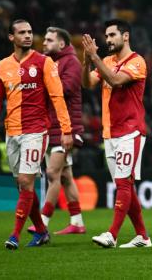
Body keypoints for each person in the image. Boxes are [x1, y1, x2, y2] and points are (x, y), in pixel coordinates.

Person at [0, 19, 73, 250]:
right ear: (11, 37)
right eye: (22, 32)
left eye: (30, 32)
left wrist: (66, 129)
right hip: (11, 131)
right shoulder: (3, 65)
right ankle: (42, 233)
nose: (27, 36)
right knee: (23, 186)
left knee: (26, 180)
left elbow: (57, 97)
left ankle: (14, 235)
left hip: (36, 131)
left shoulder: (44, 63)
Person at [82, 19, 151, 248]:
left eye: (112, 35)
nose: (108, 40)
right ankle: (142, 236)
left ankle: (112, 234)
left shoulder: (137, 62)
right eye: (107, 36)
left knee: (122, 183)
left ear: (126, 36)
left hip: (130, 132)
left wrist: (94, 59)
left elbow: (115, 80)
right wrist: (85, 62)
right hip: (110, 133)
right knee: (126, 186)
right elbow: (88, 83)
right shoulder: (108, 61)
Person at [27, 27, 86, 235]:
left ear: (62, 44)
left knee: (52, 173)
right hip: (51, 127)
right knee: (65, 176)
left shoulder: (72, 62)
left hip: (67, 129)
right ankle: (77, 222)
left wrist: (42, 83)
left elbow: (67, 89)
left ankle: (42, 222)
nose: (44, 43)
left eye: (50, 40)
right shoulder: (49, 62)